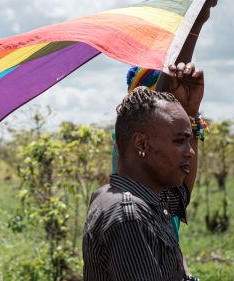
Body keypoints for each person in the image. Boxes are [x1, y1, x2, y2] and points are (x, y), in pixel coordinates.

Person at [83, 61, 207, 281]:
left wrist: (190, 111)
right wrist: (194, 26)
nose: (190, 152)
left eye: (190, 140)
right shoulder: (129, 216)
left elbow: (180, 197)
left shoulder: (145, 199)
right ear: (141, 144)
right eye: (179, 141)